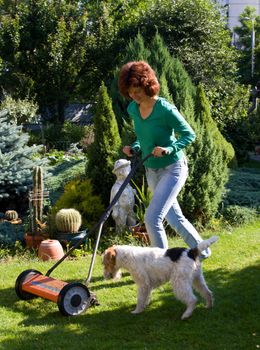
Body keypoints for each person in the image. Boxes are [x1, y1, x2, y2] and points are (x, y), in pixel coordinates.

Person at [118, 60, 210, 259]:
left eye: (137, 90)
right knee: (174, 217)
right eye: (130, 92)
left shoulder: (165, 109)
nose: (133, 96)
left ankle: (161, 265)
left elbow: (189, 134)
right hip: (152, 169)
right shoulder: (134, 109)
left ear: (147, 85)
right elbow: (144, 139)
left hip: (173, 167)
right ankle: (203, 251)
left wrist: (170, 148)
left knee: (152, 219)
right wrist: (134, 147)